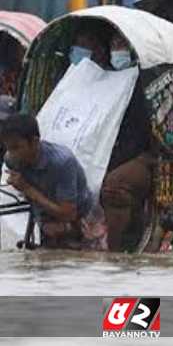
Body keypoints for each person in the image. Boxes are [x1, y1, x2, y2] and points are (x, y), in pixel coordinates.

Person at [100, 32, 158, 252]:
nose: (118, 49)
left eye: (122, 44)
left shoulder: (147, 81)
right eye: (114, 44)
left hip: (143, 156)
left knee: (114, 186)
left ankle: (114, 254)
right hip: (106, 152)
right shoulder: (102, 81)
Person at [1, 114, 93, 249]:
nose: (12, 154)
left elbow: (69, 213)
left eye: (16, 147)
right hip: (48, 217)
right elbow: (33, 199)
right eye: (8, 148)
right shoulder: (11, 160)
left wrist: (27, 189)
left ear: (34, 142)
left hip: (79, 215)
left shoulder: (62, 162)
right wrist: (43, 222)